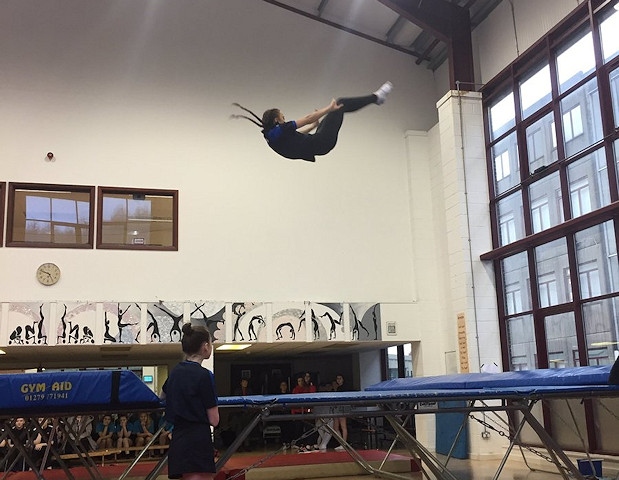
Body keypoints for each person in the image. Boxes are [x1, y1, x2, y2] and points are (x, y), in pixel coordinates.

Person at [231, 82, 393, 162]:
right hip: (321, 142)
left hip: (318, 143)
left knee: (334, 112)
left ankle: (376, 99)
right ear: (276, 119)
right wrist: (328, 108)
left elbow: (296, 137)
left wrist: (314, 126)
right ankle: (376, 98)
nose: (284, 119)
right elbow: (308, 117)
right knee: (340, 104)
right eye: (282, 117)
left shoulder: (271, 137)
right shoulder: (281, 130)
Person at [162, 323, 219, 480]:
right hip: (198, 440)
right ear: (205, 346)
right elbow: (215, 420)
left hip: (178, 439)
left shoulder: (174, 372)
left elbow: (162, 396)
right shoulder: (205, 376)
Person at [332, 374, 350, 451]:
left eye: (340, 378)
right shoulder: (337, 388)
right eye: (337, 378)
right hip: (337, 408)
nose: (338, 380)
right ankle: (341, 443)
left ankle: (344, 443)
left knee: (343, 426)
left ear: (343, 379)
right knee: (335, 427)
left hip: (343, 408)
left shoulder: (344, 388)